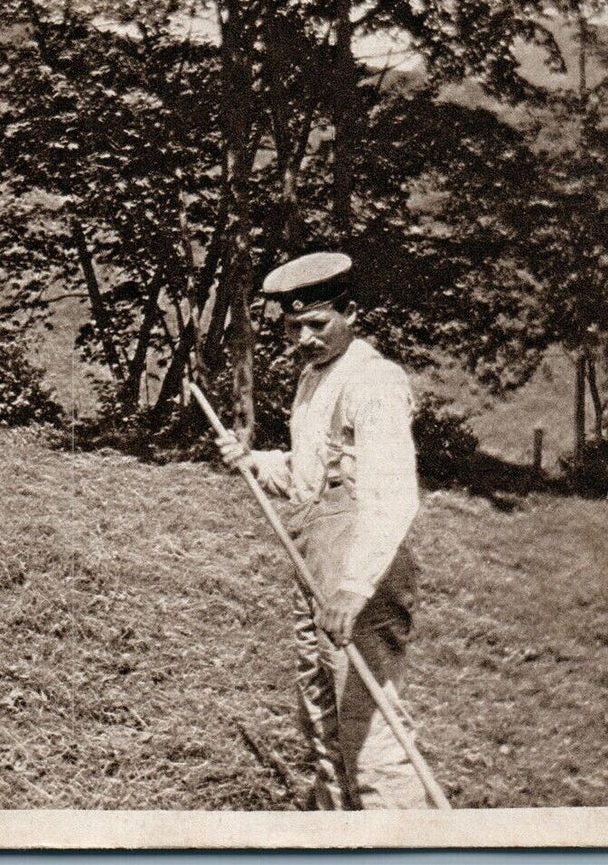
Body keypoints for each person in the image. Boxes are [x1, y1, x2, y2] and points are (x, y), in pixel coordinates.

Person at [215, 251, 432, 810]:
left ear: (351, 311)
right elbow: (313, 479)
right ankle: (337, 835)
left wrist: (354, 588)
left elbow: (390, 491)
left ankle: (402, 841)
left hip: (362, 568)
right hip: (315, 559)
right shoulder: (314, 381)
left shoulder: (374, 379)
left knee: (368, 725)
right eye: (293, 328)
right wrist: (254, 459)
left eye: (317, 323)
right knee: (320, 713)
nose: (305, 338)